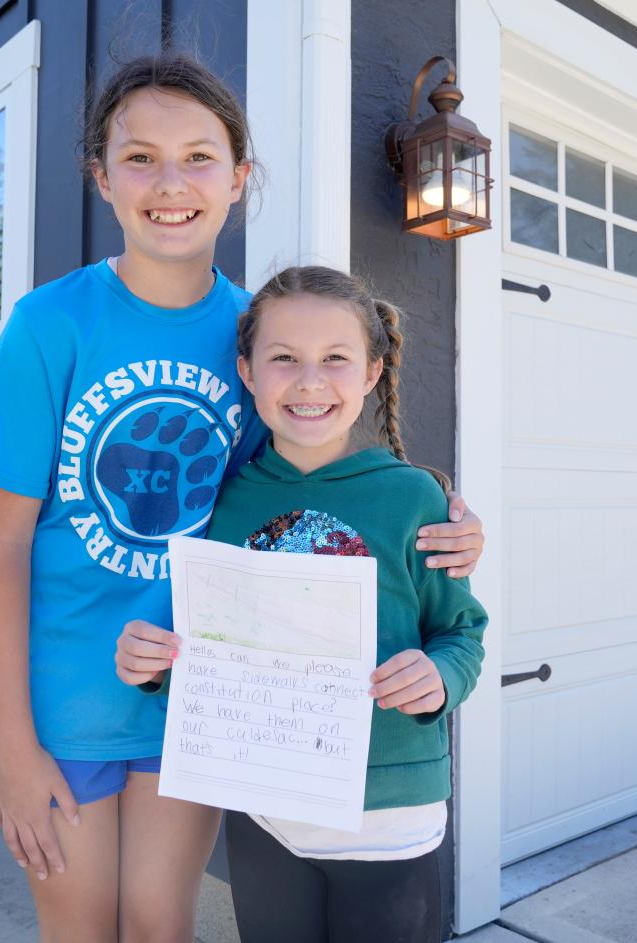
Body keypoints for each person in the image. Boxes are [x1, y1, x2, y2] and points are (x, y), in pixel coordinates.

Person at [0, 54, 485, 943]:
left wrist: (441, 517)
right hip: (68, 695)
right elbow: (1, 544)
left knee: (161, 924)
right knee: (81, 927)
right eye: (140, 158)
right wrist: (12, 745)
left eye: (200, 157)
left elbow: (306, 473)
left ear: (239, 178)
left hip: (208, 690)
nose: (171, 183)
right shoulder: (51, 325)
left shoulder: (262, 333)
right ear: (101, 177)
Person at [122, 265, 488, 943]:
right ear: (248, 371)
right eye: (284, 358)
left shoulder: (415, 499)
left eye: (336, 360)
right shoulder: (223, 503)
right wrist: (155, 664)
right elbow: (218, 653)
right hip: (265, 813)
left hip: (388, 820)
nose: (310, 381)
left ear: (373, 373)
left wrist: (439, 677)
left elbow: (462, 633)